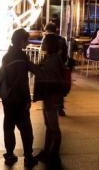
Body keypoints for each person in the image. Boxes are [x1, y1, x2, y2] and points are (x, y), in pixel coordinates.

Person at [1, 29, 39, 168]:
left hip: (8, 97)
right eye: (26, 40)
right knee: (26, 129)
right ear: (20, 41)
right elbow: (26, 78)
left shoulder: (7, 56)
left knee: (9, 126)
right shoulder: (21, 57)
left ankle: (10, 154)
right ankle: (28, 156)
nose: (28, 42)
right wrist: (27, 99)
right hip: (19, 98)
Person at [34, 34, 67, 167]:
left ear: (50, 44)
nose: (42, 44)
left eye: (44, 42)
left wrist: (33, 67)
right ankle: (48, 151)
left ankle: (54, 152)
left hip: (51, 95)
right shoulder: (49, 58)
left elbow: (47, 75)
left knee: (53, 126)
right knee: (49, 125)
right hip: (48, 95)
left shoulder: (53, 59)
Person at [41, 23, 68, 116]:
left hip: (49, 67)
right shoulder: (62, 39)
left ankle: (49, 107)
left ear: (47, 30)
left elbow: (43, 50)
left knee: (49, 88)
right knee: (59, 88)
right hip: (60, 66)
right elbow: (65, 53)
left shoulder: (47, 39)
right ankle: (60, 107)